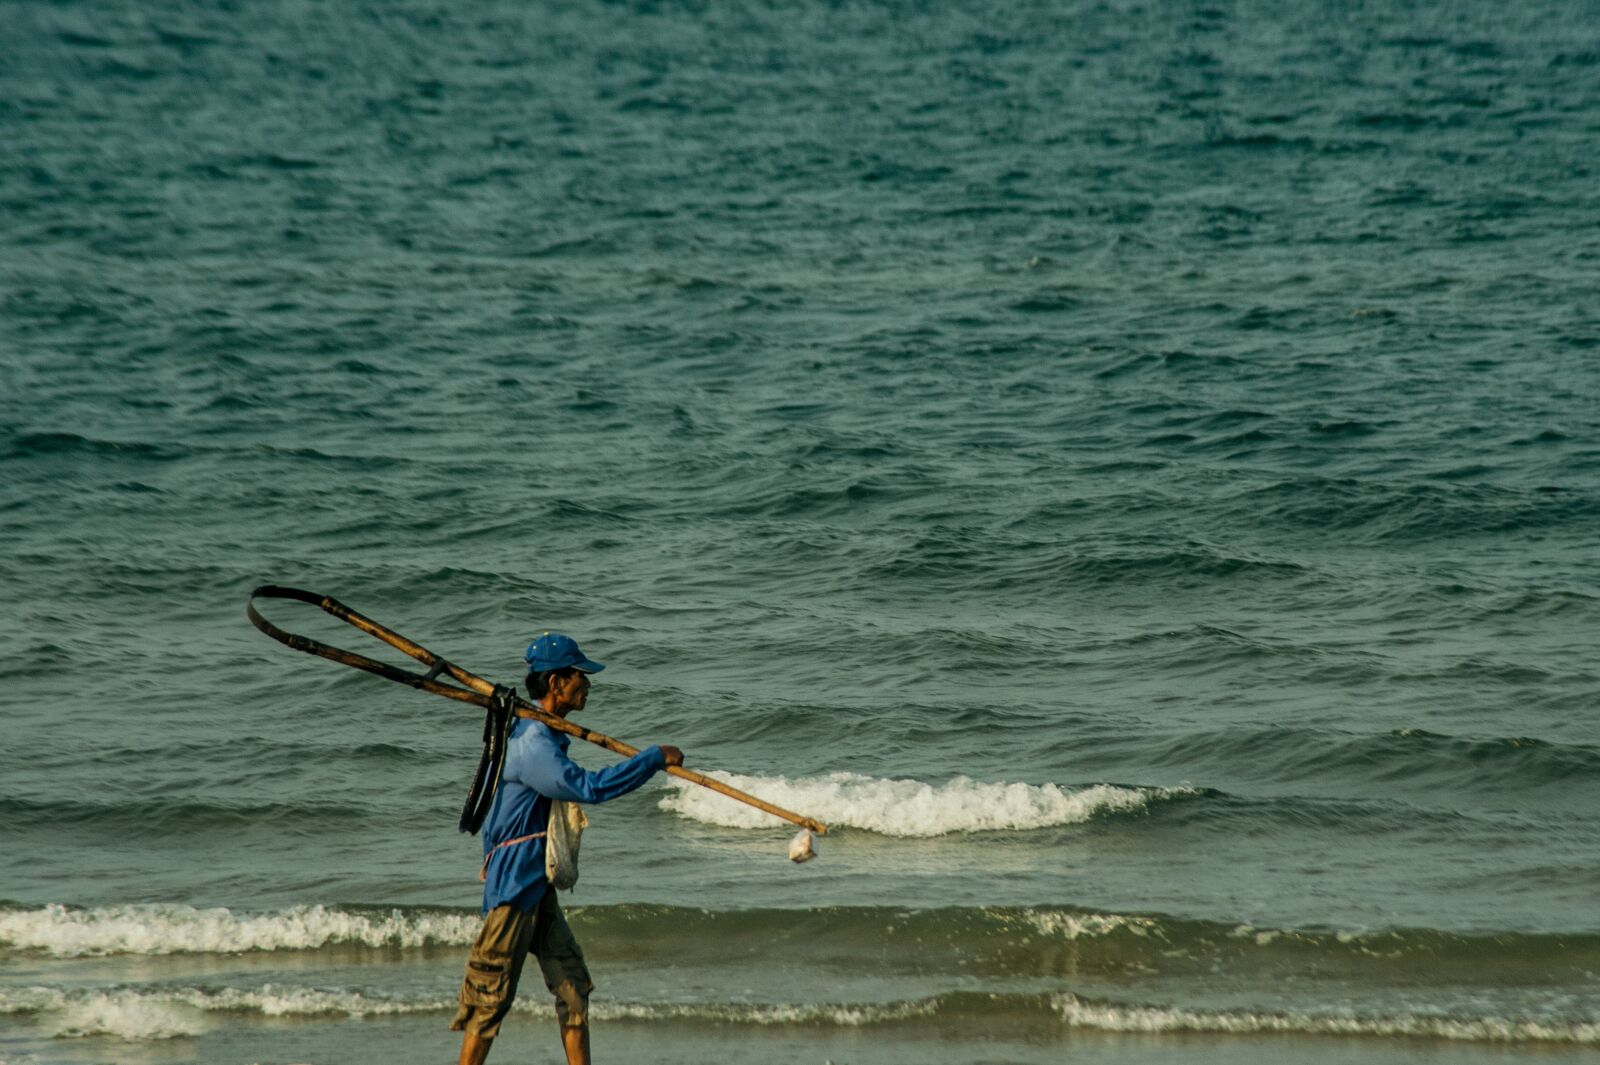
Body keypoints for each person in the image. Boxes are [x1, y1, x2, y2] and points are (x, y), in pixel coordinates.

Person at [451, 632, 682, 1065]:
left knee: (572, 988)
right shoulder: (533, 744)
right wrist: (651, 759)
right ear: (556, 683)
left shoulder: (540, 734)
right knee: (490, 1000)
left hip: (538, 888)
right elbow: (588, 788)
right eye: (580, 676)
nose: (587, 684)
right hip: (513, 892)